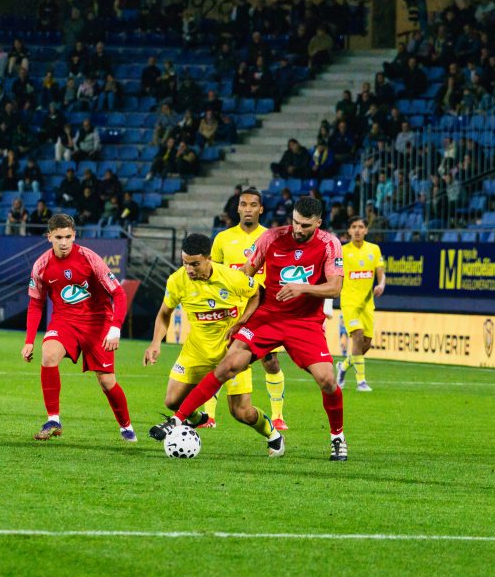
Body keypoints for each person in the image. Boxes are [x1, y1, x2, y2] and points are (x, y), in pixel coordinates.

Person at [149, 197, 348, 461]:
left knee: (327, 380)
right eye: (296, 222)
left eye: (306, 226)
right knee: (228, 365)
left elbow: (335, 288)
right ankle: (177, 420)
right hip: (268, 317)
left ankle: (337, 437)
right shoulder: (271, 238)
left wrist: (302, 288)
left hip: (304, 322)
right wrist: (241, 317)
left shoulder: (329, 244)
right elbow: (246, 272)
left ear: (319, 223)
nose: (299, 230)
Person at [143, 234, 283, 457]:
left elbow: (258, 293)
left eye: (195, 264)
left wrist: (243, 321)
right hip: (196, 351)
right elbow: (164, 314)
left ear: (209, 258)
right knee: (172, 401)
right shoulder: (177, 281)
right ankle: (198, 418)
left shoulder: (232, 278)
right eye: (185, 262)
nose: (189, 269)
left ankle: (273, 434)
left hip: (232, 352)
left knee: (241, 412)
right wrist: (155, 343)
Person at [22, 214, 135, 442]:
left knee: (106, 381)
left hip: (98, 322)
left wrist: (115, 328)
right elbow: (36, 303)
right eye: (58, 237)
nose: (64, 243)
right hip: (64, 321)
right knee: (49, 354)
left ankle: (126, 426)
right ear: (49, 237)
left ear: (74, 235)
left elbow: (118, 293)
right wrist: (28, 340)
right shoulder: (41, 265)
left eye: (68, 237)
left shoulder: (89, 258)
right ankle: (53, 419)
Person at [208, 188, 289, 430]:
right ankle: (209, 415)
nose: (248, 209)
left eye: (254, 205)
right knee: (220, 360)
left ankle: (277, 416)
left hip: (262, 312)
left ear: (261, 209)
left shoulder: (272, 237)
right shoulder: (222, 238)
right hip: (230, 312)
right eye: (244, 204)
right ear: (238, 208)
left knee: (270, 361)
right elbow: (213, 275)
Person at [336, 216, 385, 392]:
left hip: (367, 304)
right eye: (353, 227)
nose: (357, 230)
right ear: (349, 231)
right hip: (349, 302)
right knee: (357, 336)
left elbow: (381, 272)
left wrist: (381, 284)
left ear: (366, 230)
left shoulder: (374, 249)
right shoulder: (341, 251)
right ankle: (361, 381)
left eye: (360, 227)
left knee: (366, 344)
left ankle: (342, 367)